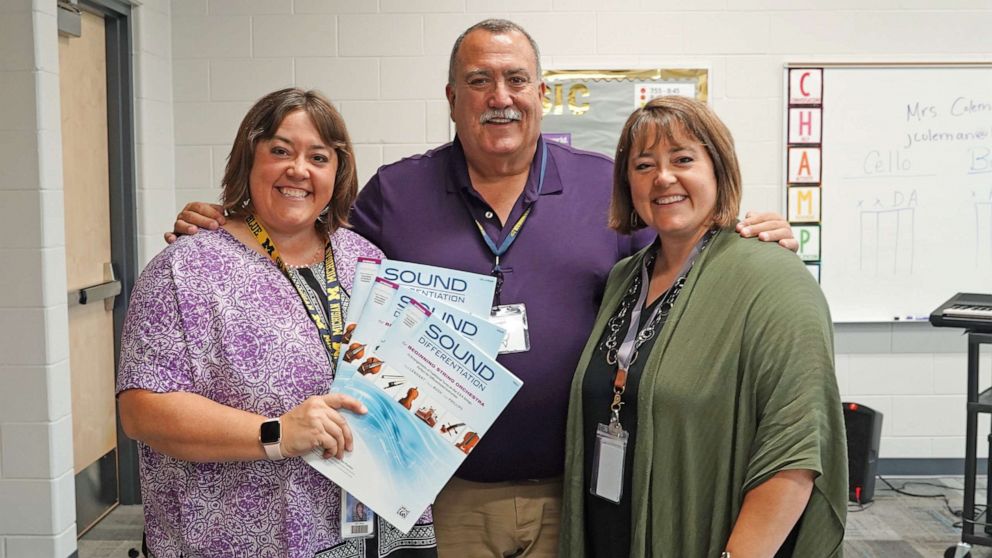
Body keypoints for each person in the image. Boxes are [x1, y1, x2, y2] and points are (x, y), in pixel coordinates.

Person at [166, 20, 797, 557]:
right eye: (479, 81)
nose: (500, 96)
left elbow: (675, 262)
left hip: (572, 487)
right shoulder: (395, 193)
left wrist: (745, 231)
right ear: (451, 96)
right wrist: (232, 224)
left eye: (516, 79)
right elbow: (306, 231)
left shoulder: (602, 188)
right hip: (441, 493)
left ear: (540, 93)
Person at [118, 88, 437, 557]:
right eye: (280, 150)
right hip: (244, 540)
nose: (299, 170)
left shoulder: (365, 259)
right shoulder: (185, 269)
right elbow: (142, 411)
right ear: (248, 159)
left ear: (338, 172)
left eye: (319, 157)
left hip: (378, 526)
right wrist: (276, 433)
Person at [559, 96, 846, 557]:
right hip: (610, 527)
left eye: (684, 159)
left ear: (719, 168)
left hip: (704, 536)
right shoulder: (625, 278)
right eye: (644, 165)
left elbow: (796, 449)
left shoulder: (772, 278)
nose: (664, 178)